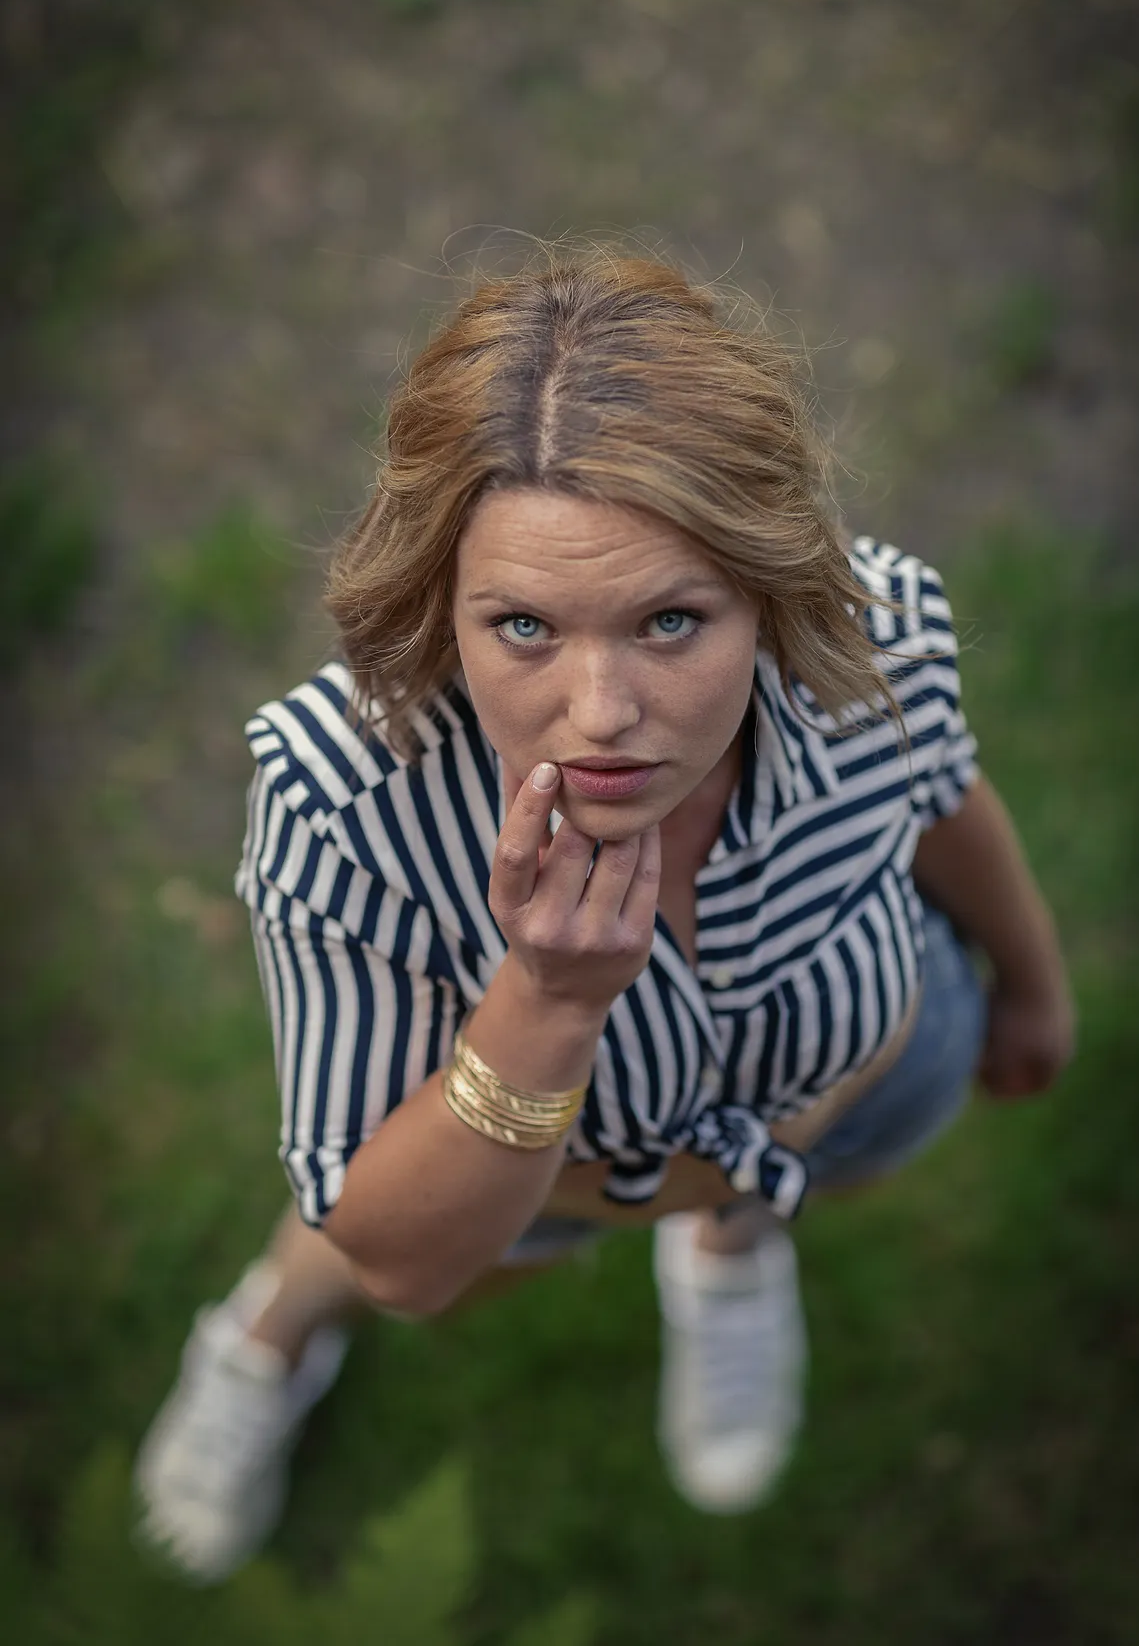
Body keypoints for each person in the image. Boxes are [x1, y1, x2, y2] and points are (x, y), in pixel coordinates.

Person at [135, 248, 1075, 1583]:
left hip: (854, 1086)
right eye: (524, 627)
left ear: (769, 587)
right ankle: (265, 1340)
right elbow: (401, 1254)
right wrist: (549, 1002)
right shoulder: (343, 805)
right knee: (349, 1256)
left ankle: (726, 1251)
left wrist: (1033, 986)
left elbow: (945, 802)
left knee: (760, 1197)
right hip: (535, 1183)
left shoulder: (875, 637)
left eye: (671, 621)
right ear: (441, 601)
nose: (601, 714)